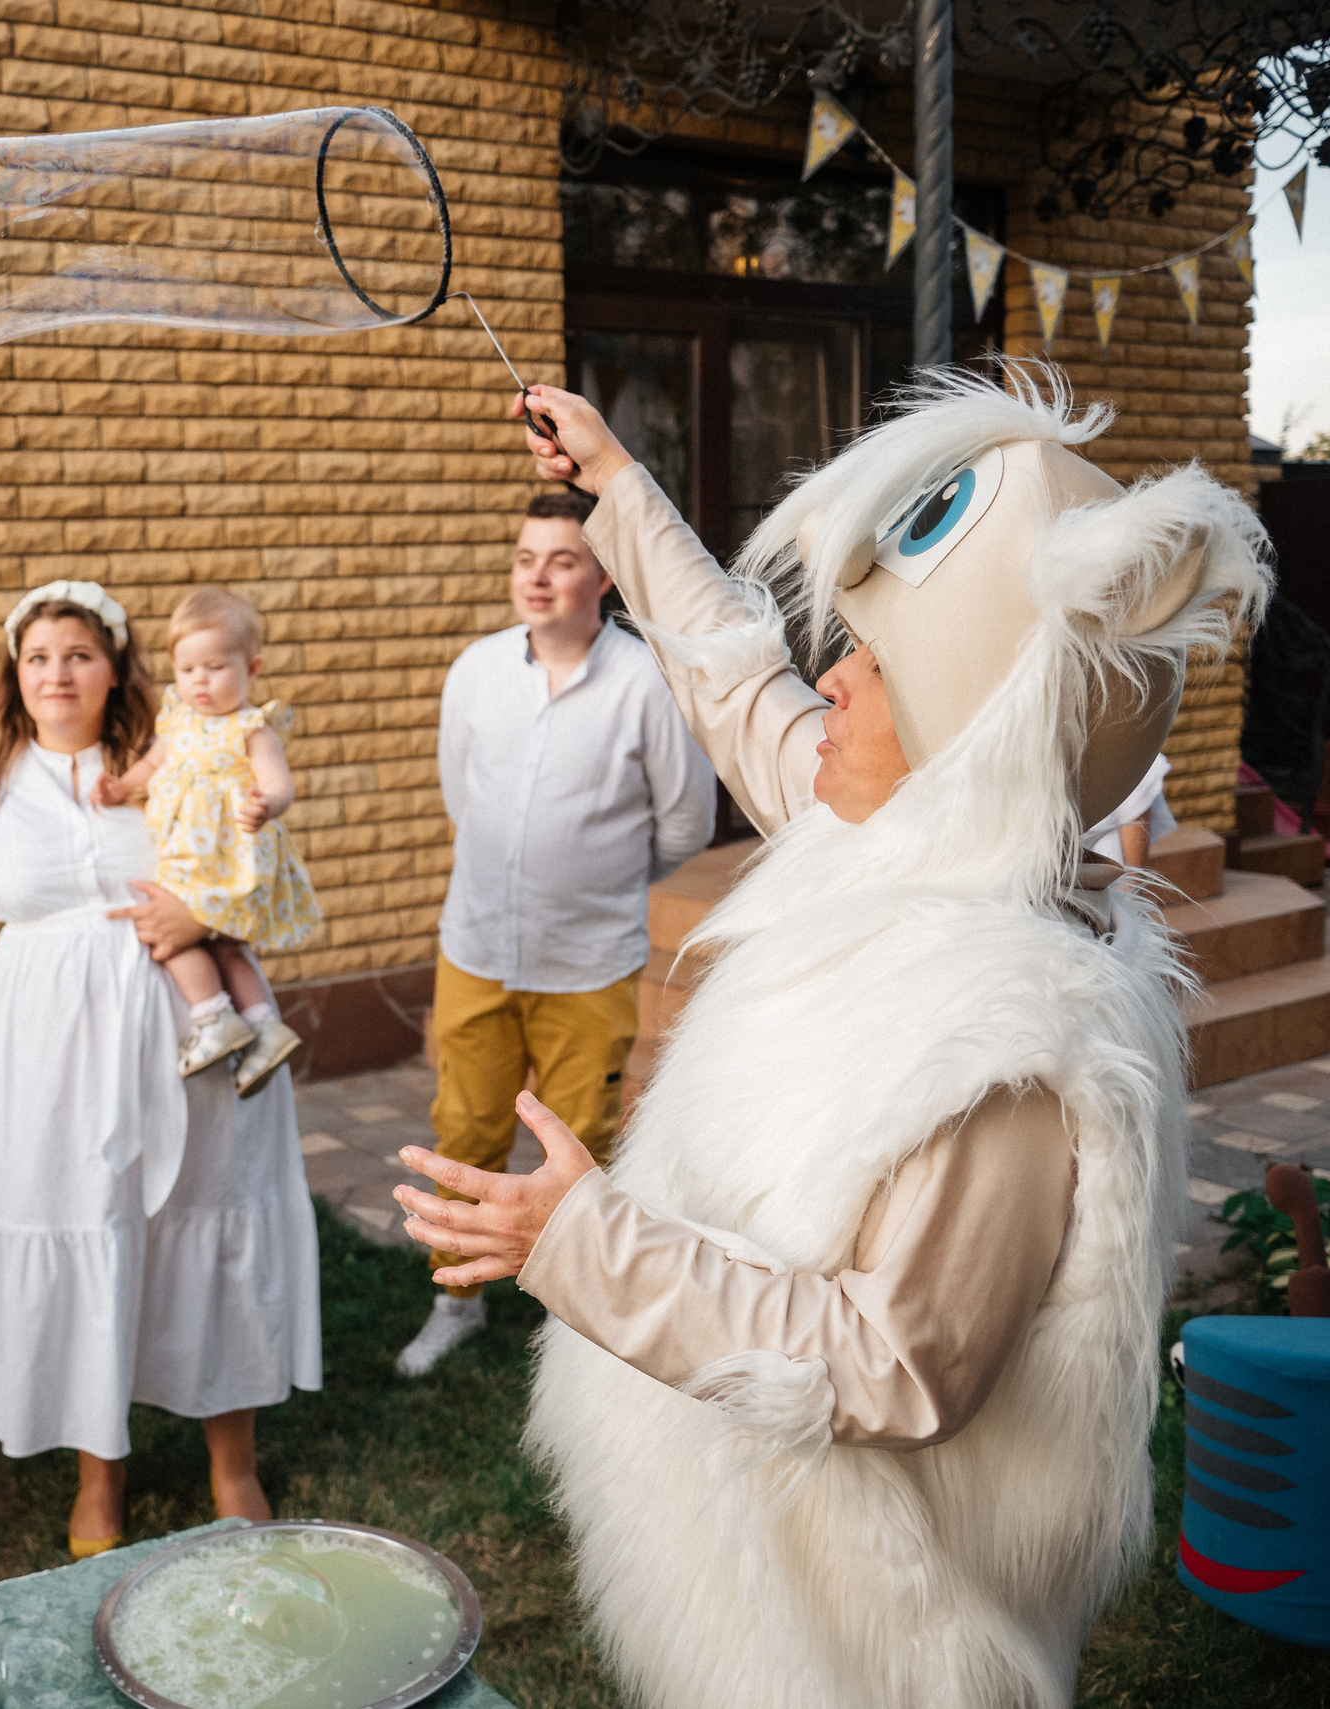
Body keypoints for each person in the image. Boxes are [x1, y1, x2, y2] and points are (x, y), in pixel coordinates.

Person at [392, 366, 1270, 1707]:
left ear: (970, 746)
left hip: (855, 1639)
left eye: (876, 663)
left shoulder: (1011, 1050)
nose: (832, 677)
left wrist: (582, 1243)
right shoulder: (891, 835)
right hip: (743, 1559)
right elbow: (733, 675)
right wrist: (618, 489)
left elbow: (897, 1363)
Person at [0, 578, 323, 1559]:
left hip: (195, 1042)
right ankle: (100, 1471)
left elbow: (251, 876)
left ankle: (233, 1463)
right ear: (14, 676)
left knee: (208, 1227)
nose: (57, 672)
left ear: (113, 669)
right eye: (38, 656)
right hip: (53, 1066)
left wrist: (201, 916)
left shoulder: (181, 752)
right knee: (92, 1232)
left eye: (79, 653)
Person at [396, 490, 714, 1378]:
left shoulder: (645, 683)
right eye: (527, 557)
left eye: (562, 559)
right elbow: (464, 797)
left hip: (589, 961)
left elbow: (684, 824)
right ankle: (455, 1300)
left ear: (602, 576)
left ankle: (573, 1323)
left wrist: (598, 880)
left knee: (579, 1143)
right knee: (463, 1127)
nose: (538, 576)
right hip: (478, 953)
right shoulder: (475, 672)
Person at [97, 586, 319, 1094]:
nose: (200, 681)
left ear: (252, 668)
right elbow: (153, 764)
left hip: (227, 858)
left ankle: (213, 1016)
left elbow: (279, 782)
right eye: (188, 669)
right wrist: (123, 785)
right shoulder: (177, 720)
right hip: (189, 855)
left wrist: (268, 805)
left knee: (180, 934)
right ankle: (263, 1026)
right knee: (221, 945)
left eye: (216, 667)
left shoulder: (251, 727)